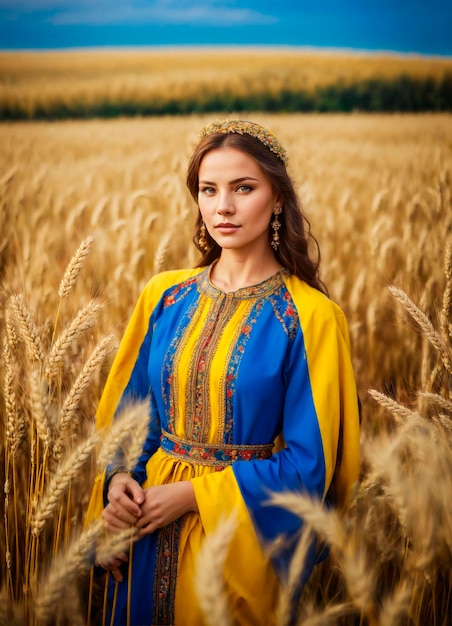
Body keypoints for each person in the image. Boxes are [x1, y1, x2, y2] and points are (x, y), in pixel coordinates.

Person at [85, 119, 361, 625]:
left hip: (239, 541)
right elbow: (131, 415)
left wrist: (191, 496)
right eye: (208, 190)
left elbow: (309, 467)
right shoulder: (164, 296)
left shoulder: (312, 318)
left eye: (244, 188)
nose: (223, 207)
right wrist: (118, 482)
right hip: (144, 529)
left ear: (278, 198)